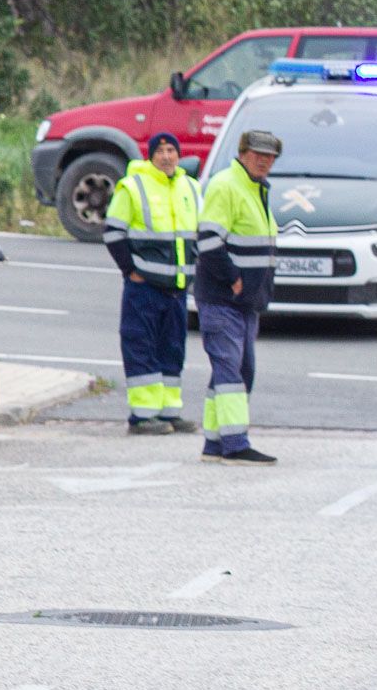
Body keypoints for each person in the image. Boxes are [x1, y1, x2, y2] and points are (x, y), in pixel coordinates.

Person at [103, 132, 202, 435]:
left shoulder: (191, 187)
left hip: (177, 287)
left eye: (171, 150)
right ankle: (142, 417)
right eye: (160, 151)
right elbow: (113, 233)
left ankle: (169, 413)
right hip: (144, 286)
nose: (167, 156)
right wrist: (130, 270)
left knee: (172, 350)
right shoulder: (132, 187)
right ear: (150, 156)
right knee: (141, 347)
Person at [195, 129, 282, 465]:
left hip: (245, 301)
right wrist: (233, 280)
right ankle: (234, 444)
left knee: (235, 370)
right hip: (223, 298)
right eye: (258, 154)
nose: (264, 161)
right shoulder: (226, 185)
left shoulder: (254, 188)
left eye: (270, 156)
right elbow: (209, 242)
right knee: (231, 371)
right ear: (242, 153)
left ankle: (215, 443)